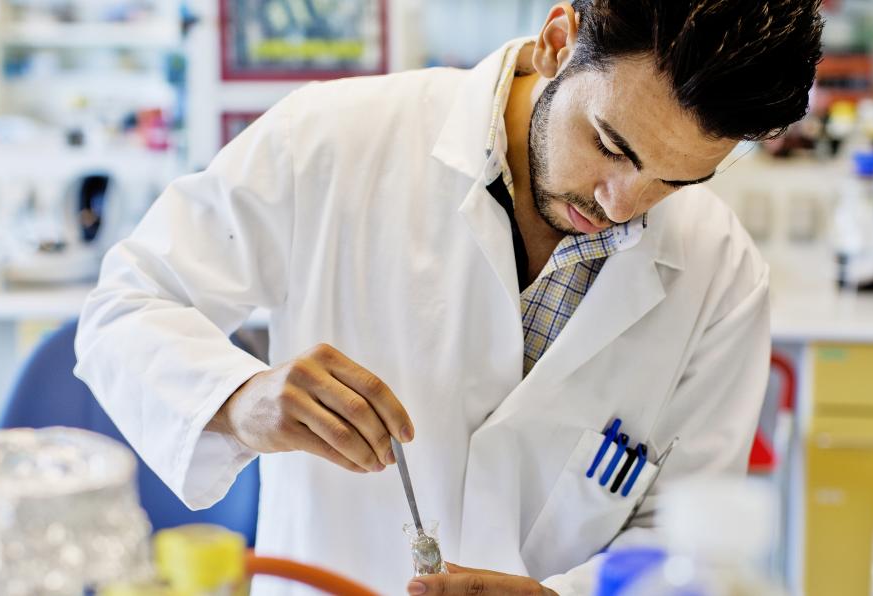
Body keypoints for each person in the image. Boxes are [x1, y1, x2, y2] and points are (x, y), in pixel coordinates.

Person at [74, 1, 823, 594]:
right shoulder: (335, 139)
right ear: (558, 42)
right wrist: (240, 399)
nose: (623, 203)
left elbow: (684, 542)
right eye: (610, 145)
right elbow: (127, 304)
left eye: (677, 180)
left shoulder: (721, 276)